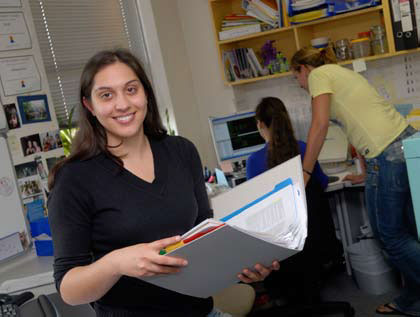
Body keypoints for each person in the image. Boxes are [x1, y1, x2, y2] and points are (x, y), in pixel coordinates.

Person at [47, 49, 279, 317]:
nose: (122, 104)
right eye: (106, 95)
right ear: (90, 106)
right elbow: (69, 290)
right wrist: (116, 263)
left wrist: (241, 265)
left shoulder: (181, 152)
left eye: (131, 89)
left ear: (146, 94)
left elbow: (204, 237)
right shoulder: (74, 178)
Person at [291, 46, 419, 316]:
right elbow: (358, 124)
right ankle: (411, 300)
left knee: (391, 236)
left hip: (388, 154)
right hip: (399, 146)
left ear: (303, 69)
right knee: (405, 232)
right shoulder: (340, 74)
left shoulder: (319, 75)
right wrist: (366, 171)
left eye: (296, 78)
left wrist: (305, 172)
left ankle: (412, 298)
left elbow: (320, 124)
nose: (300, 85)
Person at [246, 97, 342, 307]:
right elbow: (323, 182)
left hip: (281, 255)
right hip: (315, 243)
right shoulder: (304, 148)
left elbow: (254, 211)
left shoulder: (254, 162)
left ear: (261, 125)